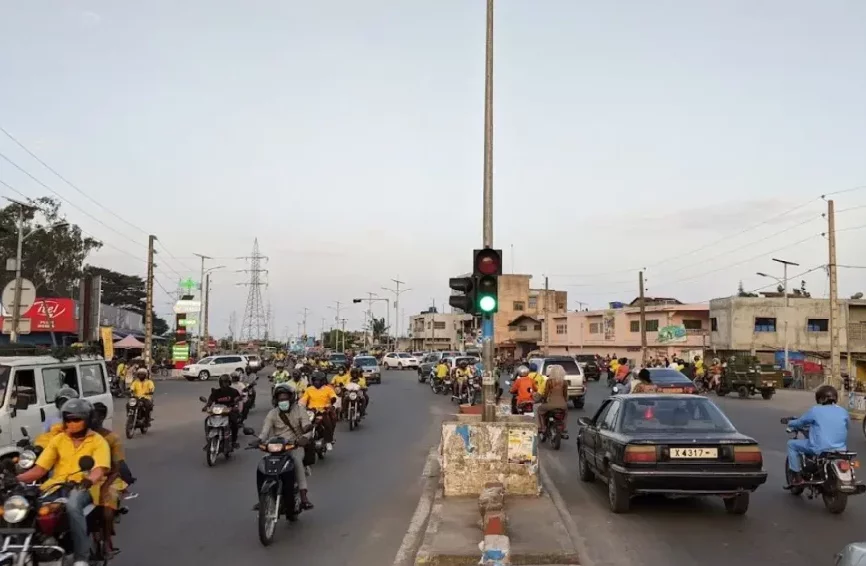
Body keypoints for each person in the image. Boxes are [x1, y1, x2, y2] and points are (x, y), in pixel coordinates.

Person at [18, 399, 111, 566]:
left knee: (73, 504)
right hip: (56, 486)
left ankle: (81, 557)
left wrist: (88, 480)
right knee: (23, 504)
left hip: (84, 488)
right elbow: (39, 470)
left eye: (77, 420)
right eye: (68, 420)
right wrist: (15, 480)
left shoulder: (98, 441)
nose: (72, 424)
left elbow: (100, 469)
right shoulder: (58, 439)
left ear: (88, 420)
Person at [254, 384, 315, 510]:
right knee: (263, 466)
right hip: (277, 445)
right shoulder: (272, 413)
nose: (283, 402)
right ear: (276, 400)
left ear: (291, 399)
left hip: (295, 445)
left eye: (285, 399)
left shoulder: (300, 410)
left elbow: (307, 427)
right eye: (280, 399)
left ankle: (304, 497)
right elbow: (265, 431)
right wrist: (259, 440)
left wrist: (305, 437)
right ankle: (262, 498)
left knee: (297, 462)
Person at [91, 402, 134, 553]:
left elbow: (116, 468)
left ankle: (107, 540)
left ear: (102, 417)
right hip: (85, 479)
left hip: (108, 478)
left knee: (107, 512)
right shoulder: (82, 437)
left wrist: (104, 486)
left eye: (94, 415)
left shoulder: (112, 438)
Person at [785, 385, 849, 485]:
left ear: (820, 398)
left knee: (791, 444)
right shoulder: (843, 411)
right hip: (840, 449)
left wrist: (790, 422)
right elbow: (847, 426)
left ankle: (797, 478)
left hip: (820, 447)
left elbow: (800, 422)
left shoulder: (815, 410)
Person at [300, 372, 337, 449]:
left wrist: (332, 402)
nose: (316, 382)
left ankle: (328, 441)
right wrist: (300, 405)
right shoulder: (309, 389)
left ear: (322, 381)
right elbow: (304, 399)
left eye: (318, 380)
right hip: (311, 411)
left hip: (324, 410)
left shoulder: (328, 389)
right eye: (315, 380)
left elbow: (333, 396)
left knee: (328, 424)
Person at [205, 374, 242, 447]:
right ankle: (208, 440)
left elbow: (237, 400)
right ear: (220, 383)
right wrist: (206, 406)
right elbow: (210, 400)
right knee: (207, 421)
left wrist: (235, 407)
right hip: (217, 411)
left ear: (229, 383)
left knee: (234, 423)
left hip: (229, 411)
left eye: (227, 382)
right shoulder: (216, 392)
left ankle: (234, 441)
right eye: (223, 382)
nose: (225, 384)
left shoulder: (233, 391)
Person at [536, 365, 568, 434]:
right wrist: (565, 402)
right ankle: (564, 427)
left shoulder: (549, 382)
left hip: (550, 405)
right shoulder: (564, 382)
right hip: (563, 405)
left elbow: (546, 394)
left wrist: (543, 400)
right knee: (566, 413)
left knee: (539, 410)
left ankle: (543, 427)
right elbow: (565, 395)